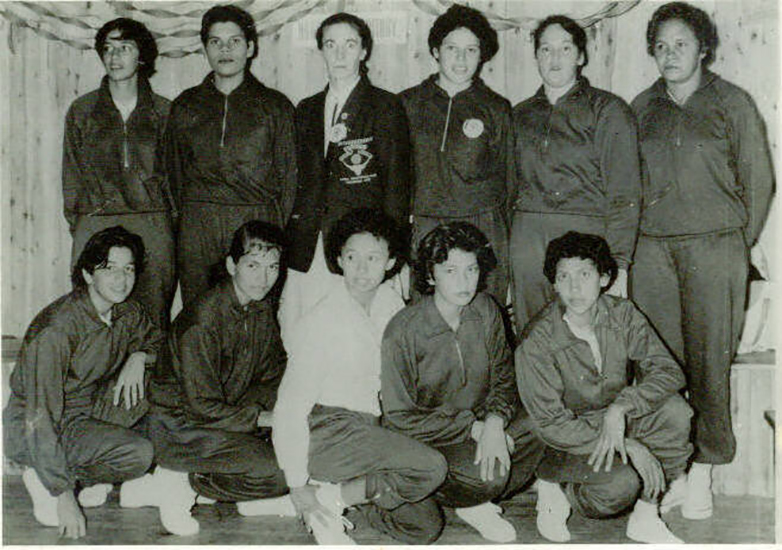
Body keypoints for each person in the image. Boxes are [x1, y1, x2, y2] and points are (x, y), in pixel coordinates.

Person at [630, 1, 774, 520]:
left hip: (715, 249)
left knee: (709, 365)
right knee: (660, 367)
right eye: (661, 46)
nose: (670, 54)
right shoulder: (641, 107)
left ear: (704, 49)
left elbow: (759, 183)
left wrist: (735, 243)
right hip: (652, 253)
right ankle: (669, 468)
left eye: (681, 44)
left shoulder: (732, 104)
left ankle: (703, 474)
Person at [273, 209, 446, 545]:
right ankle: (323, 501)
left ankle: (336, 496)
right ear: (340, 260)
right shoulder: (319, 321)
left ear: (390, 262)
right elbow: (290, 409)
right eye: (353, 258)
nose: (362, 269)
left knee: (424, 526)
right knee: (431, 467)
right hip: (328, 432)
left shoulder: (391, 303)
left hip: (371, 431)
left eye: (373, 258)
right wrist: (297, 484)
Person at [516, 231, 692, 544]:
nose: (574, 288)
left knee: (676, 412)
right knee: (616, 489)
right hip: (563, 439)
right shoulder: (537, 340)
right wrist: (630, 445)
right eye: (564, 277)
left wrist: (622, 407)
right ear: (553, 283)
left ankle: (646, 516)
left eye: (584, 274)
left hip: (611, 420)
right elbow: (551, 423)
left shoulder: (622, 313)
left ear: (604, 278)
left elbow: (668, 371)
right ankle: (555, 487)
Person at [119, 221, 289, 535]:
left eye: (272, 267)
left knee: (298, 450)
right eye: (253, 265)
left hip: (224, 413)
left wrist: (291, 409)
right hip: (180, 425)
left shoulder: (261, 309)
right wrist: (264, 418)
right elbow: (201, 407)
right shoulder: (203, 320)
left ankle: (157, 488)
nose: (264, 278)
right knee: (279, 473)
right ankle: (180, 479)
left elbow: (273, 374)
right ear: (231, 265)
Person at [381, 222, 546, 543]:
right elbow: (399, 418)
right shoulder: (402, 331)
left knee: (542, 422)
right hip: (432, 439)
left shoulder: (485, 309)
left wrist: (496, 423)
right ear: (430, 275)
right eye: (451, 271)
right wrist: (472, 428)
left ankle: (473, 501)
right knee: (492, 477)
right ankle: (465, 496)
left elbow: (504, 377)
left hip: (483, 425)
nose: (464, 281)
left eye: (471, 270)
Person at [3, 226, 161, 539]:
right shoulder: (57, 329)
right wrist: (64, 498)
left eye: (128, 269)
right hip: (35, 424)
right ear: (88, 275)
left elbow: (157, 340)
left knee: (151, 427)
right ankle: (50, 480)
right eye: (110, 269)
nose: (122, 279)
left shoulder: (126, 310)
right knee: (137, 452)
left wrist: (140, 356)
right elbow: (41, 413)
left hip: (85, 410)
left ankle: (70, 476)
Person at [279, 13, 411, 344]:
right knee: (306, 332)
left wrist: (389, 253)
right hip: (311, 244)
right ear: (321, 50)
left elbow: (397, 186)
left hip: (360, 248)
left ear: (364, 51)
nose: (339, 55)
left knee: (362, 336)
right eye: (331, 45)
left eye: (349, 45)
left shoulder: (384, 107)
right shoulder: (306, 110)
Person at [510, 15, 641, 333]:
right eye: (545, 49)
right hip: (528, 238)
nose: (554, 59)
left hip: (585, 234)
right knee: (532, 337)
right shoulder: (520, 114)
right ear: (536, 56)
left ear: (581, 56)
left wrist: (619, 264)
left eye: (565, 48)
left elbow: (625, 192)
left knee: (584, 336)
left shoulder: (608, 110)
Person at [165, 4, 297, 307]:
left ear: (250, 47)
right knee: (199, 315)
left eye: (234, 41)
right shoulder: (185, 106)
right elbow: (172, 174)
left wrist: (271, 227)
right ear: (205, 49)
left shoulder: (275, 106)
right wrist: (189, 223)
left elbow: (290, 178)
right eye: (215, 42)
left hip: (255, 218)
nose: (225, 50)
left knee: (255, 312)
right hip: (200, 224)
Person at [63, 18, 174, 330]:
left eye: (124, 48)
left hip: (152, 223)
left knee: (151, 320)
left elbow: (175, 178)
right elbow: (71, 175)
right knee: (93, 321)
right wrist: (83, 222)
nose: (114, 57)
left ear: (142, 55)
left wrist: (165, 226)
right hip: (96, 220)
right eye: (108, 49)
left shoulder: (164, 112)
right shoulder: (82, 111)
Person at [400, 4, 514, 306]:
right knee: (427, 315)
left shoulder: (496, 108)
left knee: (481, 315)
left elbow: (510, 181)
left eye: (471, 50)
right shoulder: (407, 104)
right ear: (436, 50)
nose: (461, 59)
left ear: (482, 54)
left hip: (481, 224)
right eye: (452, 48)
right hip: (425, 224)